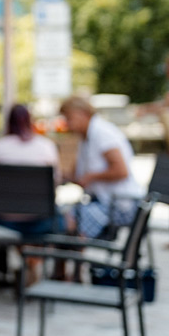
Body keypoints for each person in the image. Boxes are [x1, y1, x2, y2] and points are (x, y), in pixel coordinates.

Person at [60, 96, 144, 238]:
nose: (67, 124)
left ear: (83, 114)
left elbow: (121, 171)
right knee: (64, 217)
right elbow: (77, 174)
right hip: (103, 201)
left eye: (69, 118)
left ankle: (73, 255)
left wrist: (92, 177)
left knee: (71, 221)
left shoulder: (102, 133)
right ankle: (69, 255)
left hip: (120, 204)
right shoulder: (85, 137)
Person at [0, 104, 62, 238]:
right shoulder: (46, 146)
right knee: (68, 221)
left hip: (3, 219)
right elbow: (56, 181)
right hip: (40, 218)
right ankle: (36, 255)